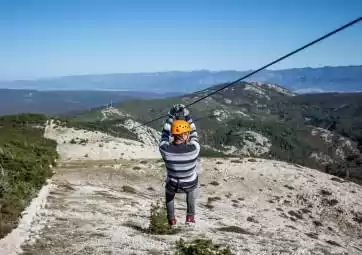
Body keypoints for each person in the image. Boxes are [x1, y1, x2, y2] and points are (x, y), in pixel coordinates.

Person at [159, 104, 200, 226]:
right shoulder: (194, 149)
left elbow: (164, 135)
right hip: (188, 184)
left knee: (169, 193)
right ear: (184, 135)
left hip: (173, 185)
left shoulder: (164, 149)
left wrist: (170, 116)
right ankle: (190, 217)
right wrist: (187, 116)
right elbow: (194, 133)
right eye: (186, 133)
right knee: (193, 182)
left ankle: (171, 219)